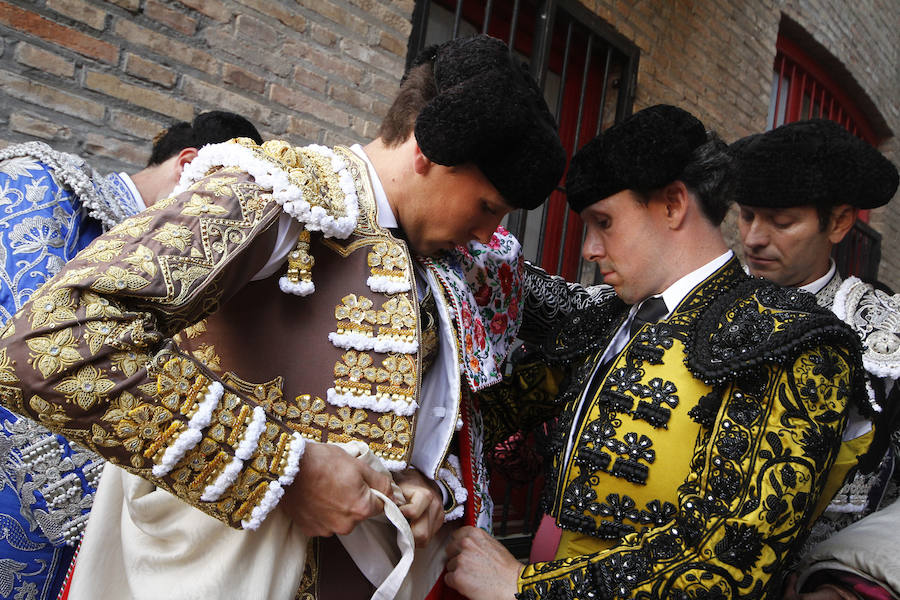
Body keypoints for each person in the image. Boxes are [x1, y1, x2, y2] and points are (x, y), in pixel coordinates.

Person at [0, 34, 566, 599]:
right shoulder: (278, 192)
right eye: (487, 206)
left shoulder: (433, 266)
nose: (489, 234)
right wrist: (285, 473)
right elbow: (50, 340)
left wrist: (422, 485)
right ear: (426, 151)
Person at [444, 104, 873, 599]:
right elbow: (483, 414)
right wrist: (431, 485)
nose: (589, 249)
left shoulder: (792, 341)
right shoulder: (603, 320)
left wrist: (524, 589)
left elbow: (728, 559)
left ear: (673, 204)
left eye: (604, 223)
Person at [0, 111, 263, 600]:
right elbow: (28, 352)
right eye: (227, 202)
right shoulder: (38, 185)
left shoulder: (194, 282)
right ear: (190, 168)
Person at [731, 119, 900, 599]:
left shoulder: (885, 330)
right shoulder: (696, 303)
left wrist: (851, 579)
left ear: (841, 222)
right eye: (746, 216)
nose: (754, 239)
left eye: (782, 222)